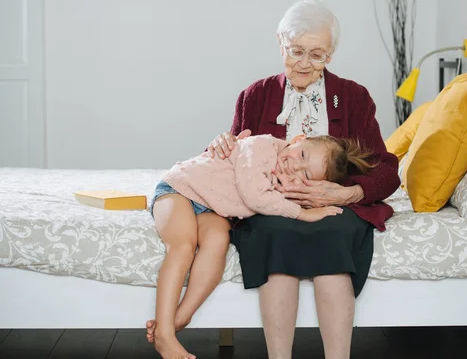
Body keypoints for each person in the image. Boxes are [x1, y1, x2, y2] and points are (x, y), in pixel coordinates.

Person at [206, 0, 400, 359]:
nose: (305, 64)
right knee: (275, 235)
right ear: (280, 44)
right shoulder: (256, 95)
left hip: (334, 206)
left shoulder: (354, 97)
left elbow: (387, 172)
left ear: (330, 55)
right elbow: (234, 157)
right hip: (270, 207)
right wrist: (220, 145)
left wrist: (347, 194)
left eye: (317, 55)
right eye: (296, 51)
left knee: (332, 237)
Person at [146, 133, 375, 359]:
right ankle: (165, 336)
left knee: (217, 242)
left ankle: (179, 319)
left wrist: (294, 189)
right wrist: (303, 214)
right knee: (183, 246)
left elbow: (279, 199)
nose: (295, 166)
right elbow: (255, 197)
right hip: (179, 189)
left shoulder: (284, 173)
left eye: (305, 174)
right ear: (296, 139)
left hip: (210, 207)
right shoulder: (261, 146)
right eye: (302, 154)